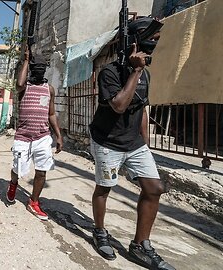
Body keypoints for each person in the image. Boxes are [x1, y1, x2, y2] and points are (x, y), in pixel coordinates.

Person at [89, 17, 175, 270]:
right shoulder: (109, 73)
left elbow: (142, 110)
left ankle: (140, 245)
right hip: (108, 142)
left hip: (134, 143)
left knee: (154, 188)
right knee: (105, 188)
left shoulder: (145, 75)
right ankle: (99, 231)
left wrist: (145, 146)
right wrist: (135, 71)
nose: (153, 46)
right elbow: (118, 105)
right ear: (134, 42)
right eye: (151, 40)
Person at [5, 48, 63, 220]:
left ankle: (34, 202)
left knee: (42, 170)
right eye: (35, 67)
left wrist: (58, 135)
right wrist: (25, 61)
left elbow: (51, 113)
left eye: (41, 67)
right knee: (18, 168)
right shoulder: (25, 87)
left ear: (45, 69)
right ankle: (13, 184)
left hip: (43, 136)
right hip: (23, 136)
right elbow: (19, 84)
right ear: (31, 68)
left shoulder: (49, 89)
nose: (39, 70)